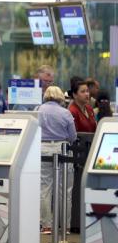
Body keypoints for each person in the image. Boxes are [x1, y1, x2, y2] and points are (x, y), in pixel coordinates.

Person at [37, 86, 77, 234]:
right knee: (65, 190)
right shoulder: (65, 113)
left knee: (44, 188)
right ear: (60, 96)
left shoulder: (38, 110)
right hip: (63, 149)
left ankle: (46, 225)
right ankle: (64, 226)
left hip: (43, 149)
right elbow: (73, 136)